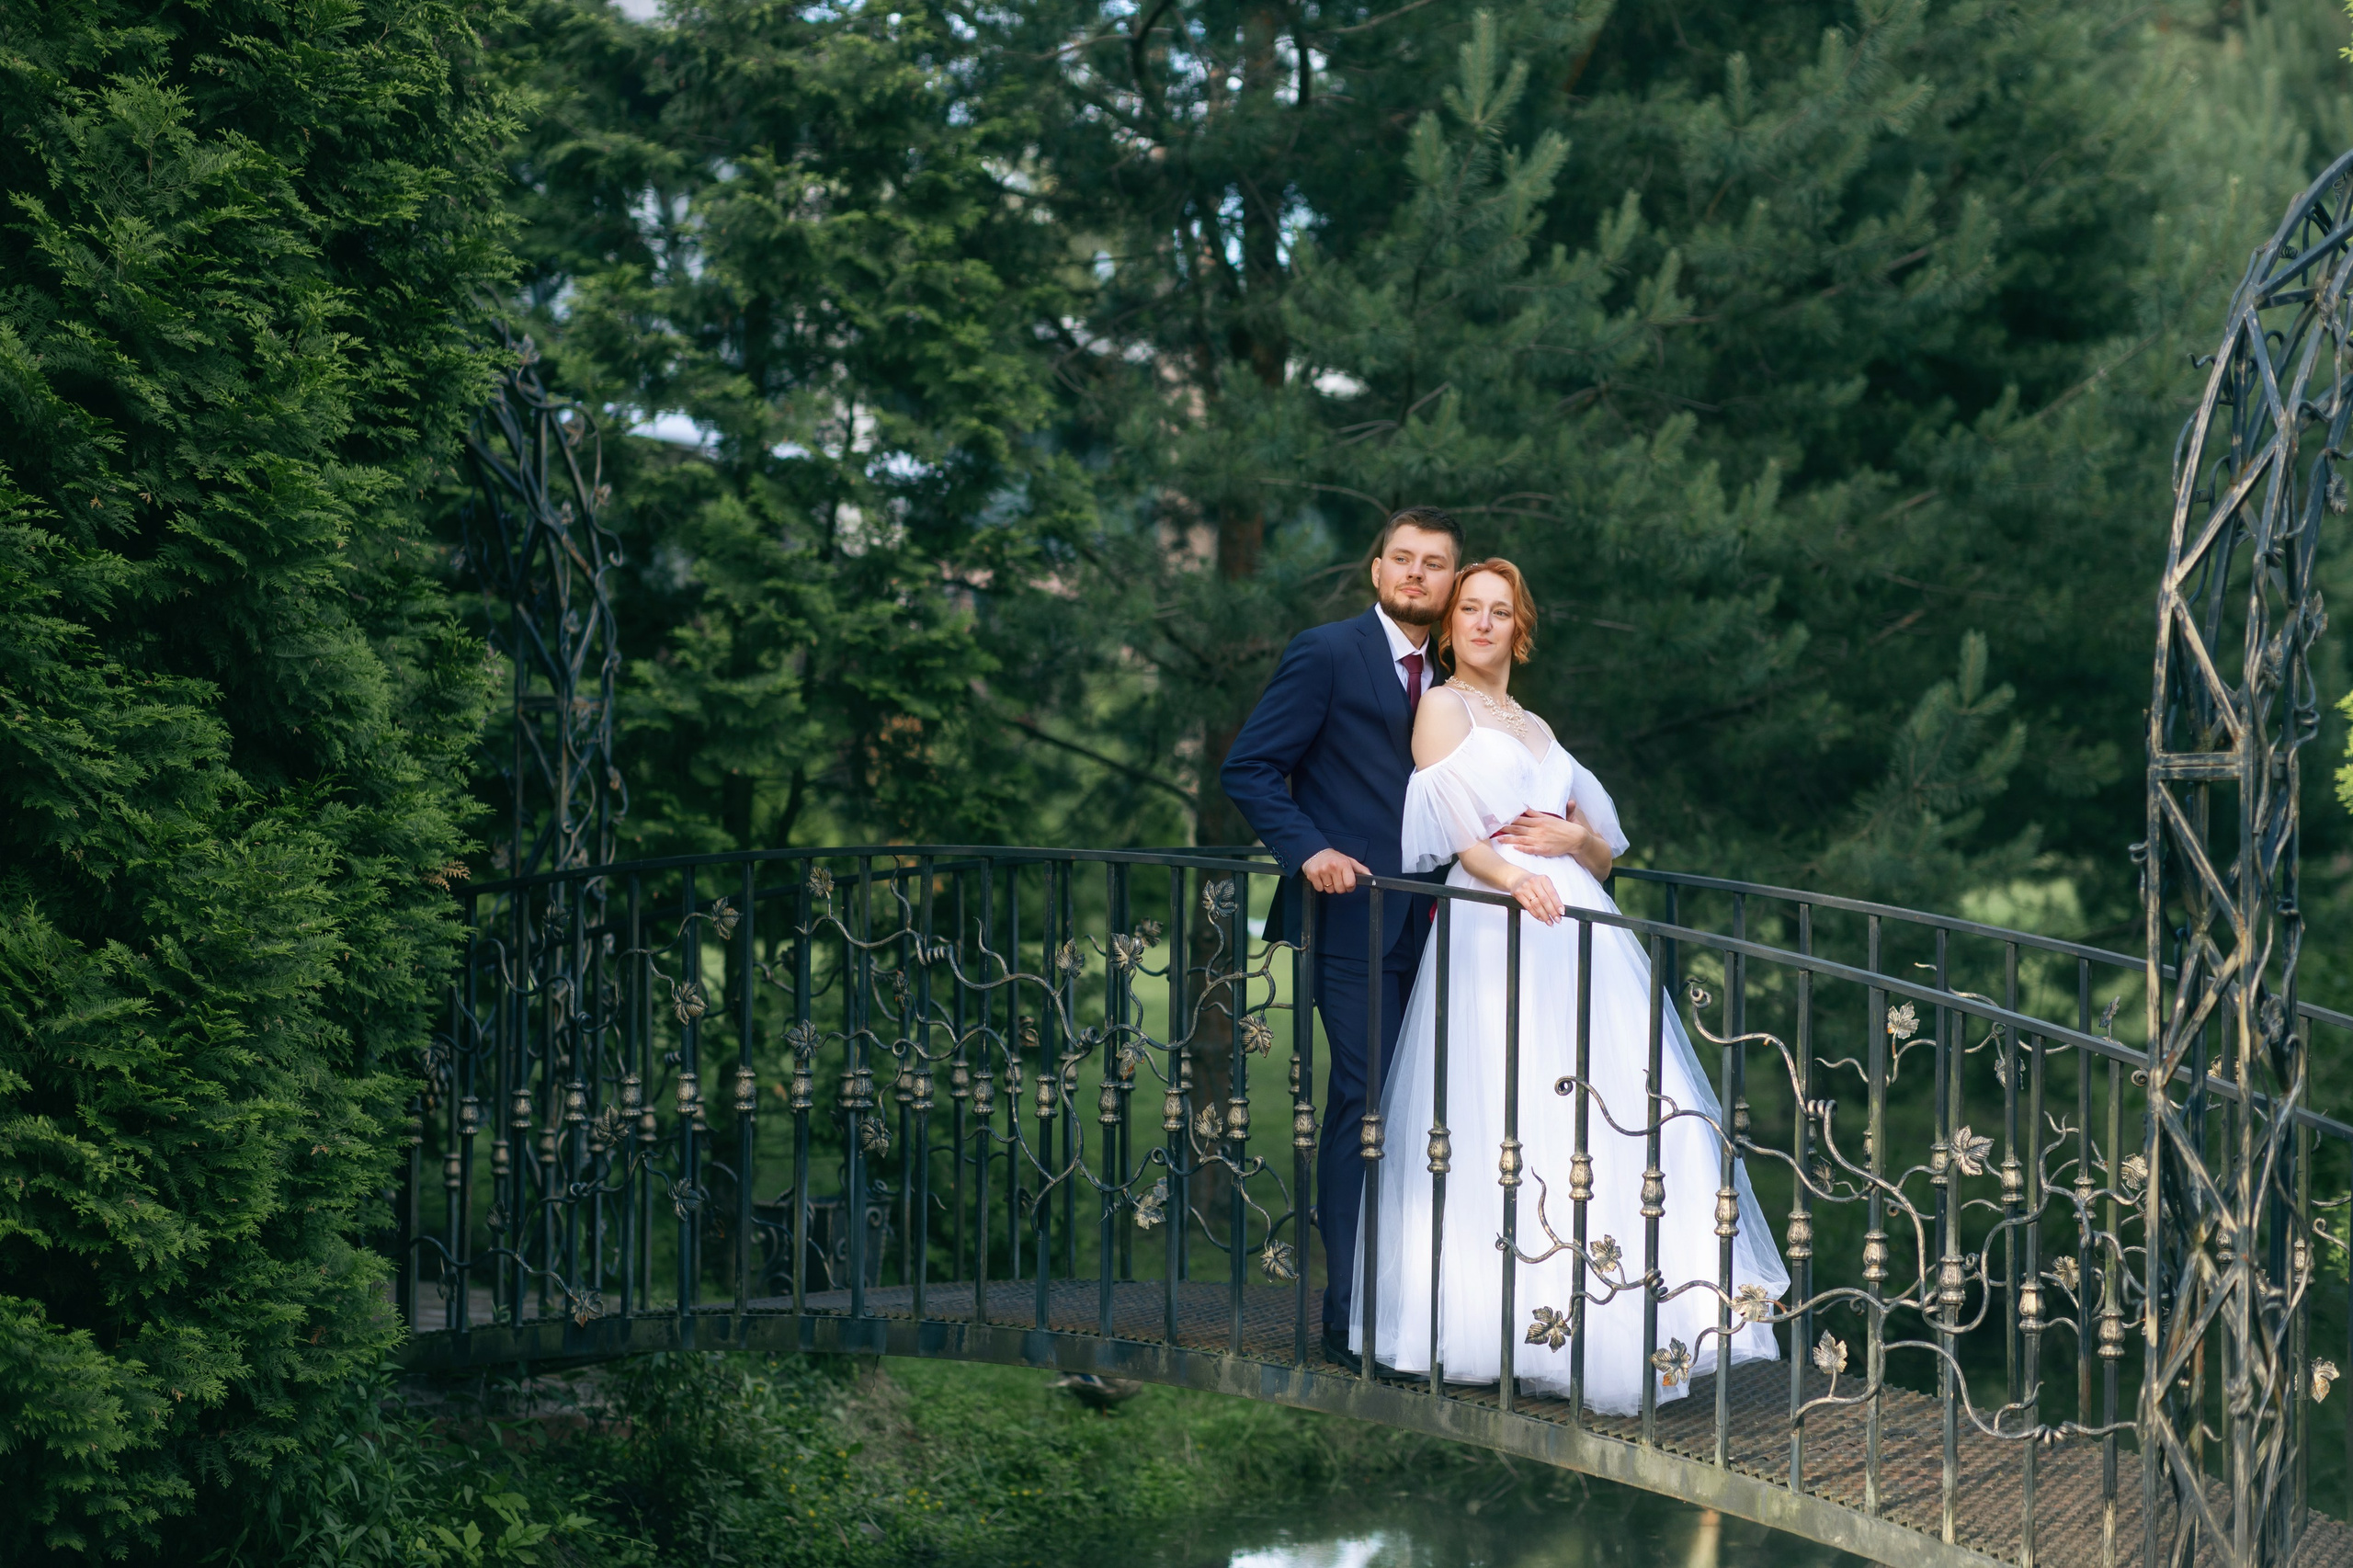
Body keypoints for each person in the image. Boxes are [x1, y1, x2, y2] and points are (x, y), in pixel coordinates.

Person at [1351, 559, 1788, 1411]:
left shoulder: (1538, 724)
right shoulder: (1442, 707)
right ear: (1451, 627)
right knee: (1504, 1099)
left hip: (1579, 927)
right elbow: (1449, 832)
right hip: (1496, 922)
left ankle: (1623, 1319)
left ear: (1522, 627)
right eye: (1469, 610)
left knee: (1612, 1105)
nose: (1482, 623)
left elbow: (1602, 847)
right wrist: (1512, 878)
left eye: (1499, 611)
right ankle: (1494, 1323)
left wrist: (1566, 841)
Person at [1221, 506, 1462, 1369]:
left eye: (1434, 565)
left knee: (1420, 1107)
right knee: (1368, 1100)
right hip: (1350, 918)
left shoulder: (1453, 675)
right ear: (1375, 570)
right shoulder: (1327, 652)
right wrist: (1307, 848)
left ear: (1451, 581)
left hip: (1440, 924)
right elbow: (1248, 766)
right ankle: (1348, 1313)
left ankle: (1416, 1298)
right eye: (1403, 559)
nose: (1416, 575)